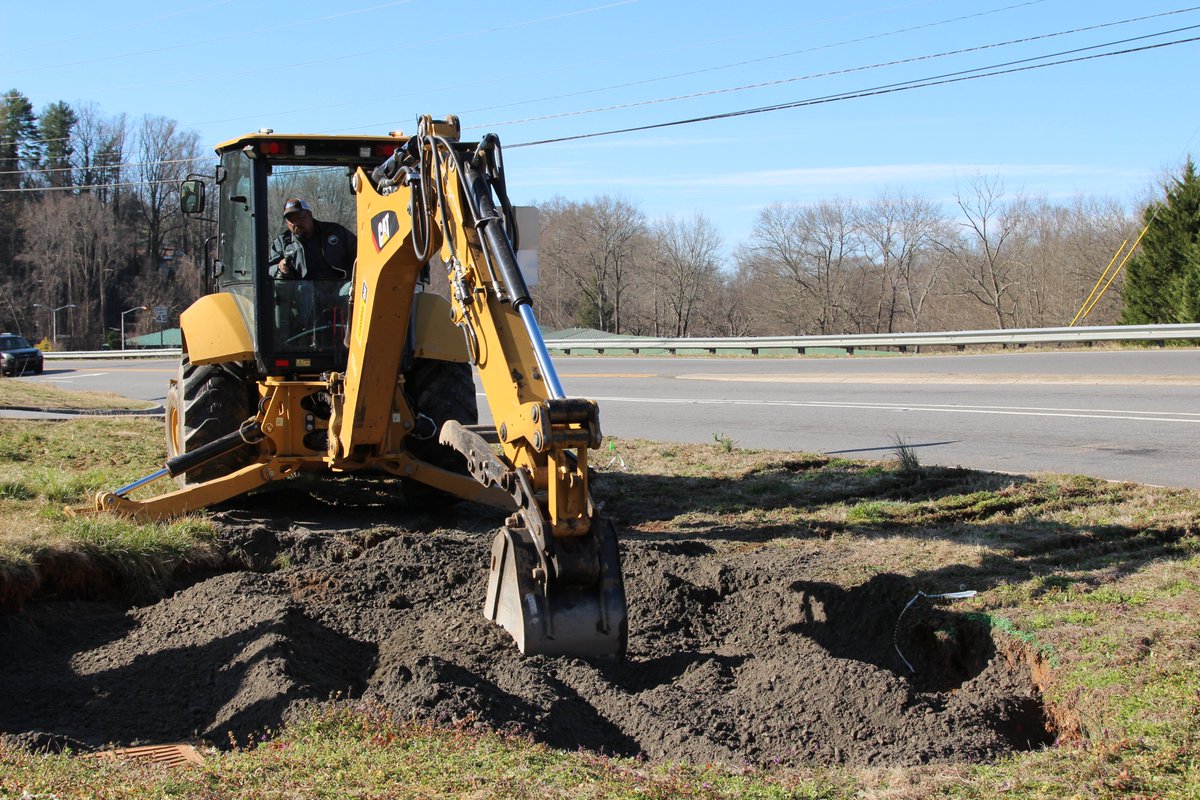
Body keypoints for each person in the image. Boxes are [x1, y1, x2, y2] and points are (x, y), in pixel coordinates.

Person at [269, 198, 356, 281]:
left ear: (310, 215)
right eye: (291, 219)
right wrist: (279, 267)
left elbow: (361, 253)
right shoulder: (281, 242)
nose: (296, 223)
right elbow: (268, 270)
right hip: (298, 293)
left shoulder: (335, 232)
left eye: (300, 217)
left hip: (339, 290)